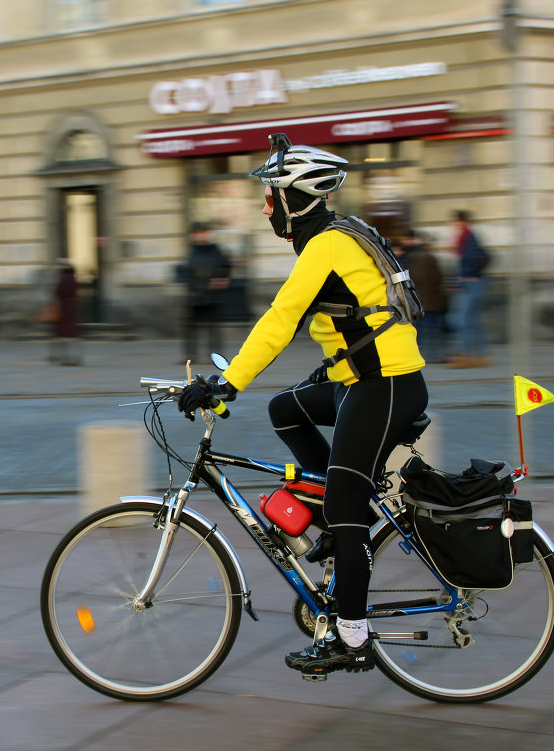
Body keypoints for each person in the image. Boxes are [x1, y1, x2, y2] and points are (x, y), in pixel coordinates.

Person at [177, 134, 428, 677]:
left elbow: (280, 319)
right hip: (361, 379)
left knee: (347, 503)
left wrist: (226, 383)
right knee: (285, 408)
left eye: (272, 196)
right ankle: (332, 516)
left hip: (384, 385)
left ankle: (352, 638)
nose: (267, 207)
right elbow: (349, 317)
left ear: (296, 198)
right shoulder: (331, 237)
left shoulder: (326, 245)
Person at [180, 222, 231, 364]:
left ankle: (215, 357)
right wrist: (190, 285)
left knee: (213, 329)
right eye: (198, 232)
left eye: (204, 232)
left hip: (211, 296)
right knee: (190, 329)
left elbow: (225, 266)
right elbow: (186, 270)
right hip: (195, 295)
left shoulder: (214, 249)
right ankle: (190, 356)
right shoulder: (192, 250)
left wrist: (220, 279)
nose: (201, 235)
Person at [396, 230, 448, 363]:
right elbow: (439, 277)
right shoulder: (427, 257)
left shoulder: (413, 257)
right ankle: (435, 354)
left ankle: (426, 354)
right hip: (431, 299)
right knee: (433, 328)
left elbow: (414, 278)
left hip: (420, 299)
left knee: (423, 328)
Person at [448, 210, 490, 368]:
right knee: (472, 320)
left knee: (463, 320)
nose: (452, 225)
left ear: (461, 222)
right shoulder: (466, 236)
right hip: (472, 283)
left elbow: (470, 259)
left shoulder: (467, 236)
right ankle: (482, 354)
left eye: (454, 222)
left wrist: (467, 276)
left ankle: (463, 355)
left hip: (471, 283)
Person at [48, 259, 81, 366]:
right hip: (72, 308)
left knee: (60, 334)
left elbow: (57, 292)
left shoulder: (61, 278)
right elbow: (76, 292)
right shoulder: (74, 278)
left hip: (62, 308)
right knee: (72, 334)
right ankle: (74, 357)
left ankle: (61, 357)